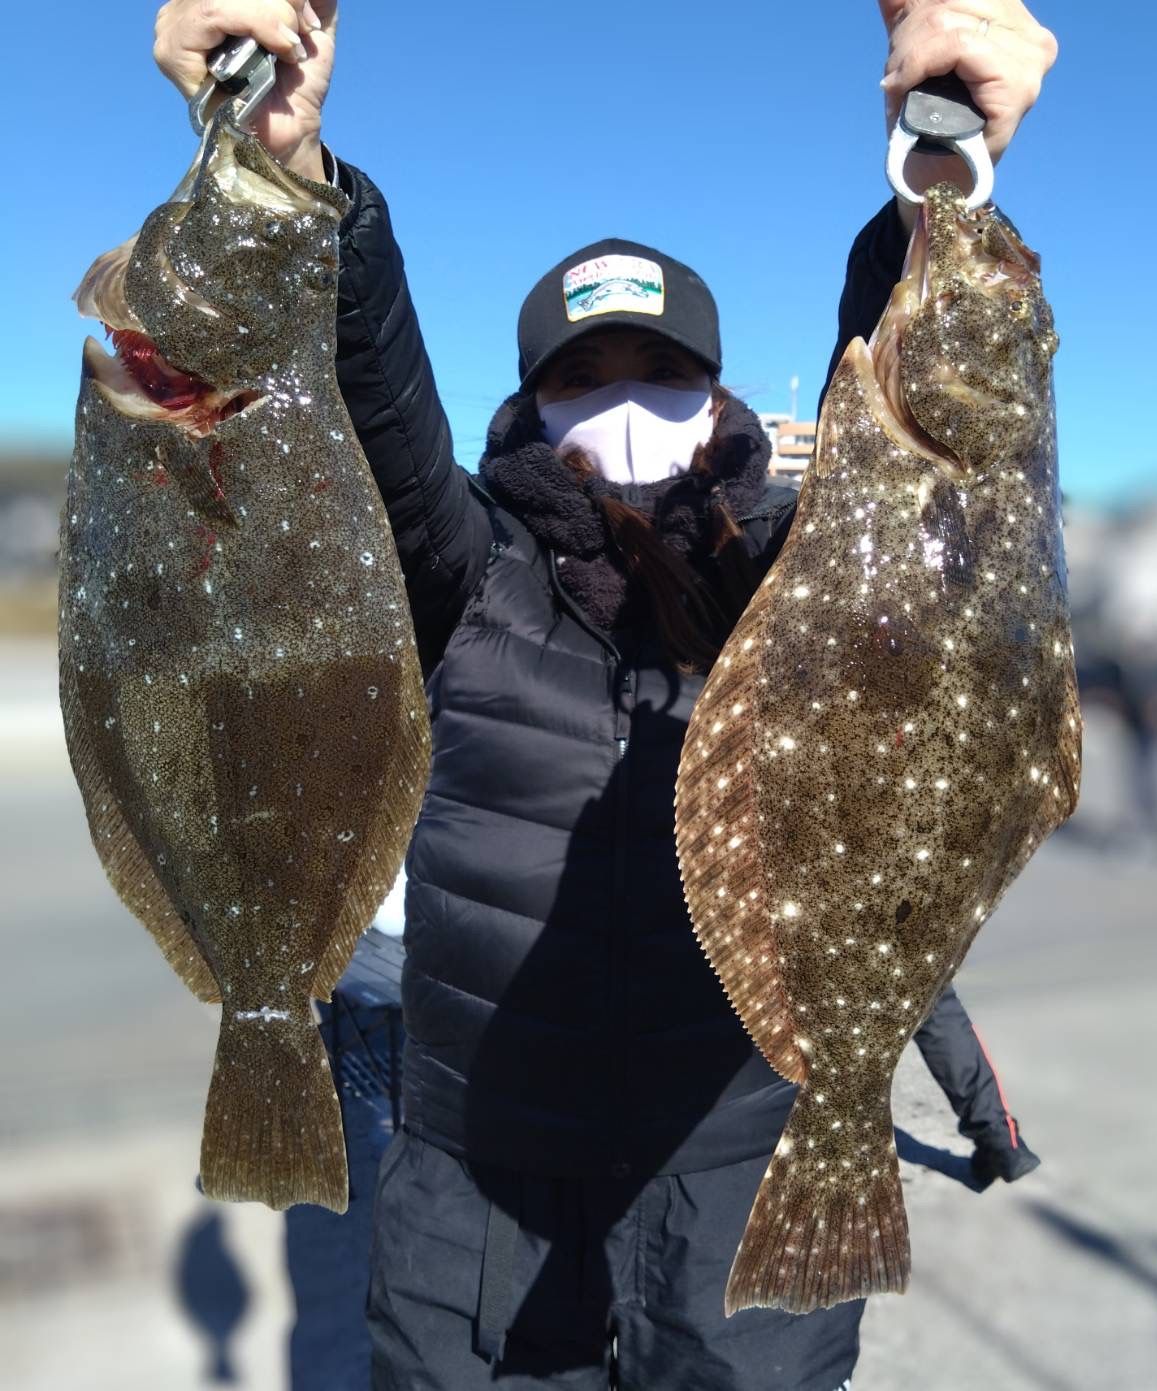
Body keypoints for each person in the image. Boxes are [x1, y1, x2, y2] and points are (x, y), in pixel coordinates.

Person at [156, 3, 1058, 1387]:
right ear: (528, 404)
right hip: (482, 1169)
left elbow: (921, 446)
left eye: (662, 370)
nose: (623, 399)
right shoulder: (467, 567)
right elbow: (372, 402)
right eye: (582, 375)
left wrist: (935, 181)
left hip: (738, 1144)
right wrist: (288, 171)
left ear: (717, 395)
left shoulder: (795, 566)